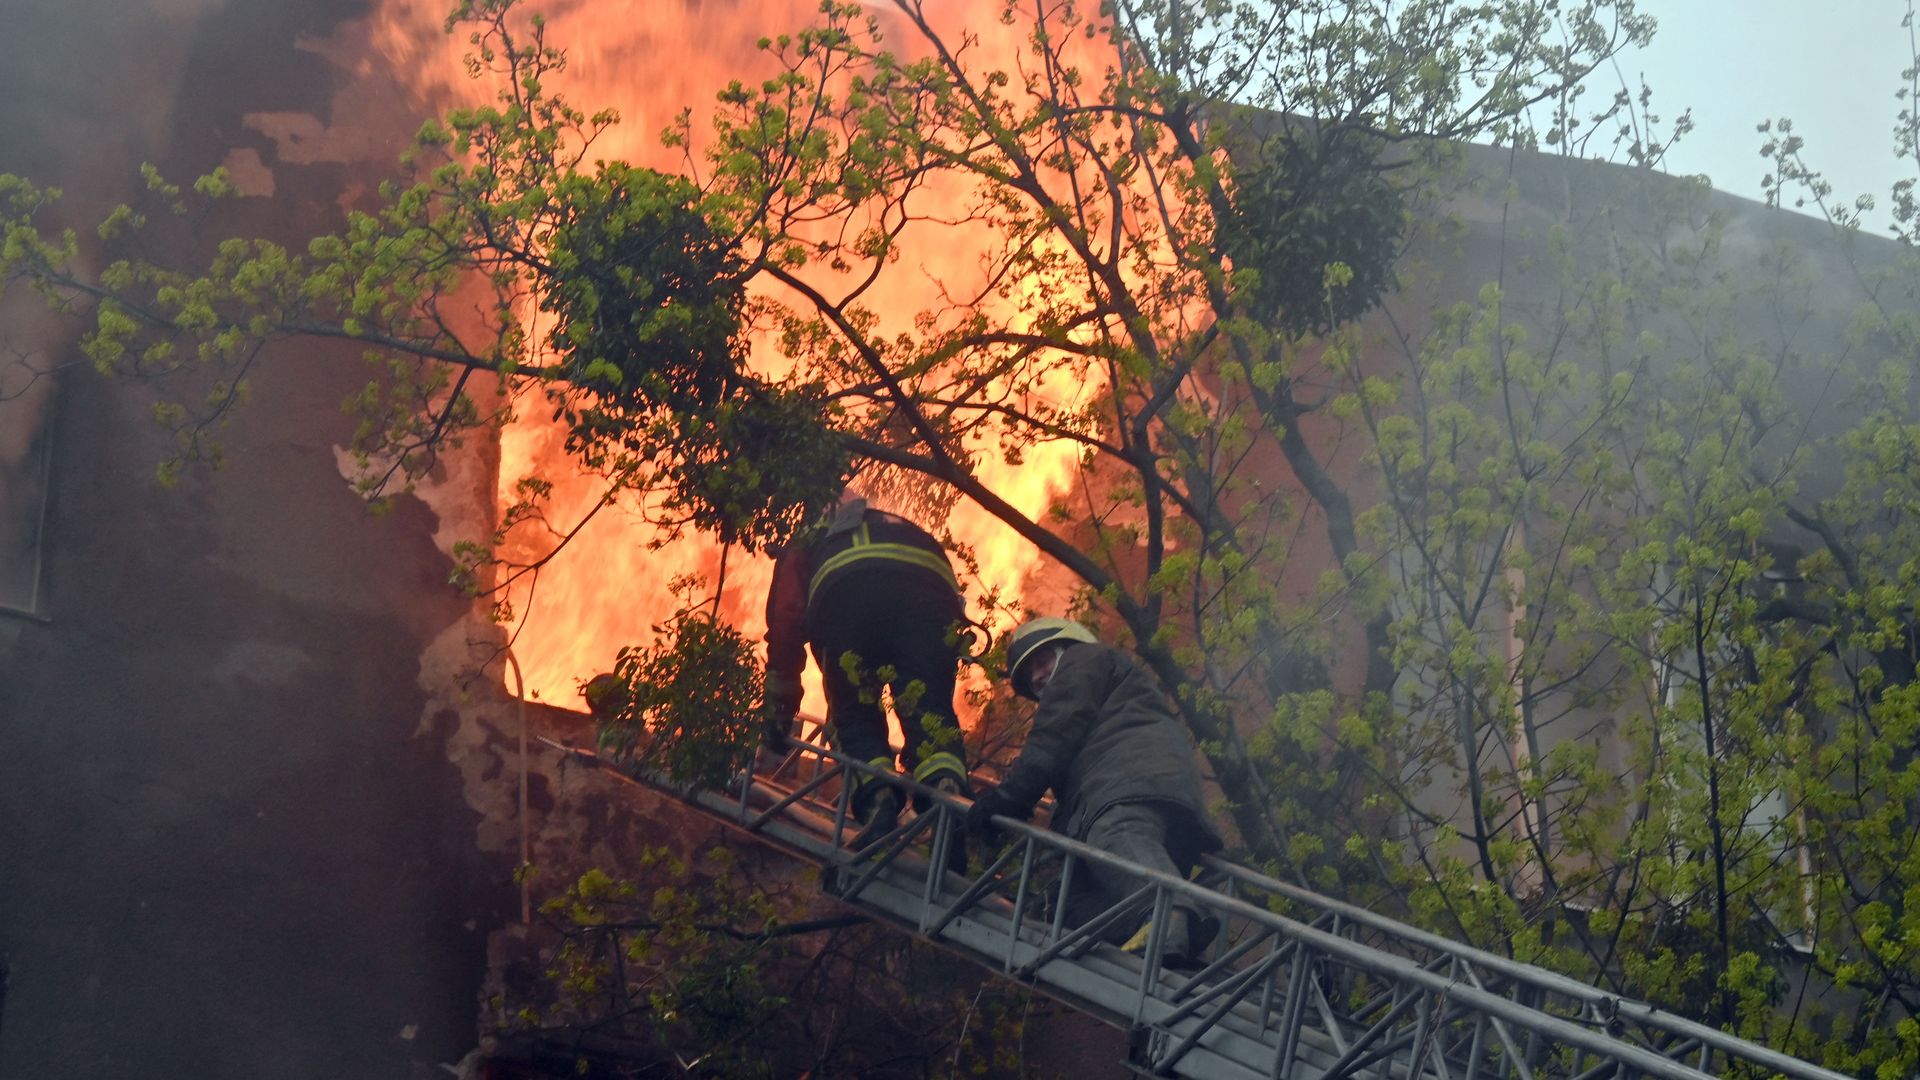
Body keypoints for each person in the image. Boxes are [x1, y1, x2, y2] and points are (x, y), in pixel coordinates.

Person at [967, 617, 1224, 967]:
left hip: (1126, 789)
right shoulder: (1104, 679)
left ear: (1067, 646)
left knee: (1118, 836)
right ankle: (1178, 939)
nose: (1038, 676)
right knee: (1066, 906)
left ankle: (1170, 916)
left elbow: (1051, 741)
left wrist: (1007, 798)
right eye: (1030, 676)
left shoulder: (1083, 662)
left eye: (1041, 662)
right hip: (1154, 798)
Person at [763, 493, 971, 850]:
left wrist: (778, 719)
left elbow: (787, 621)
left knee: (853, 714)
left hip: (847, 593)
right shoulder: (900, 525)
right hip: (933, 596)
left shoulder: (808, 540)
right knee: (930, 712)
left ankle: (879, 801)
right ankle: (946, 802)